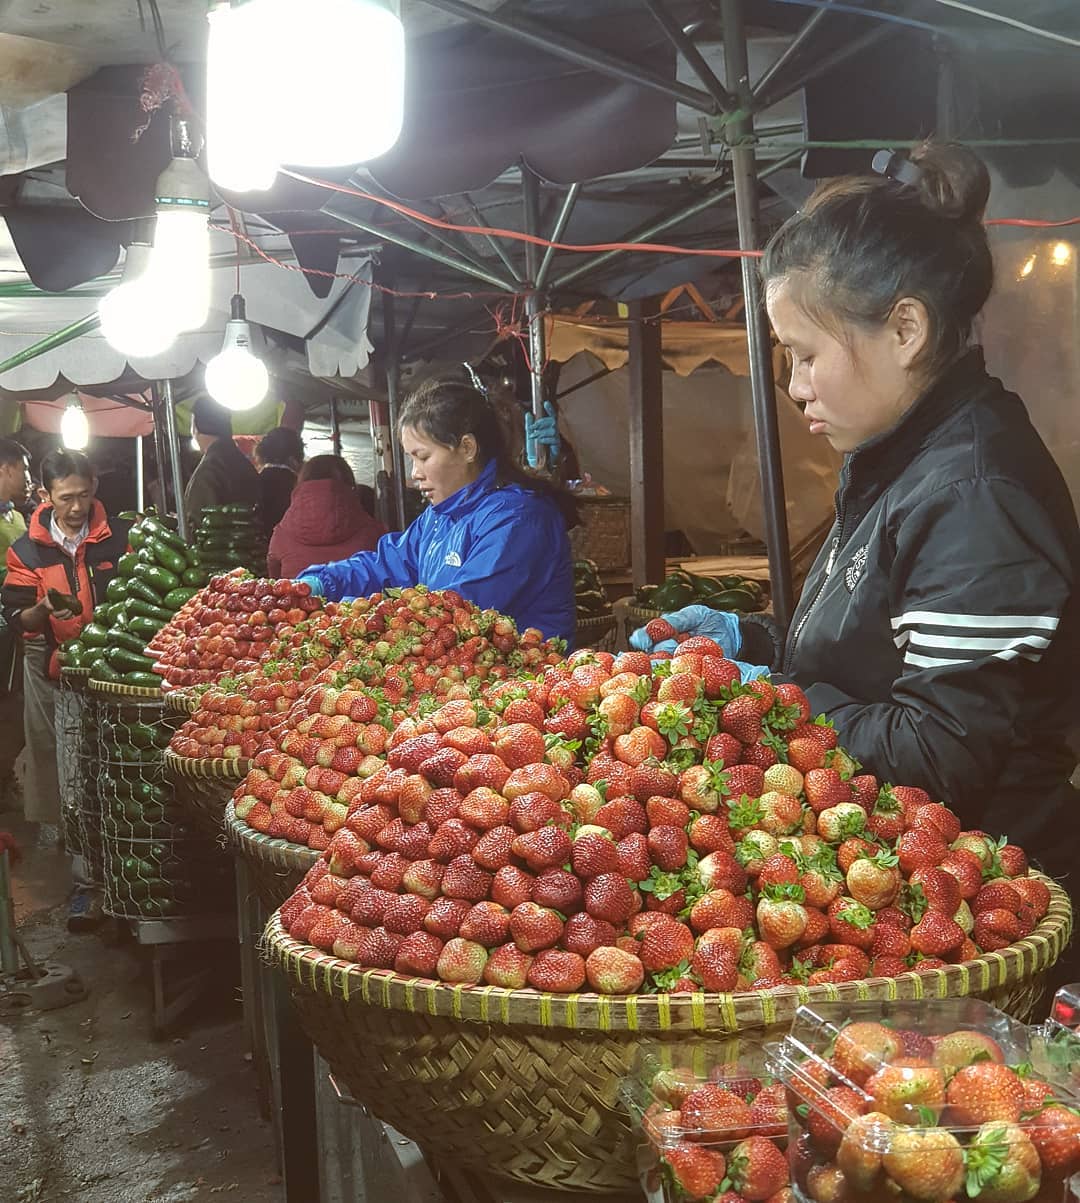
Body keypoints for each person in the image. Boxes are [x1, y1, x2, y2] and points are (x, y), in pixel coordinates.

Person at [298, 376, 577, 644]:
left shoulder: (519, 519)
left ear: (467, 448)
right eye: (411, 458)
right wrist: (322, 583)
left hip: (528, 682)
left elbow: (460, 611)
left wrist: (354, 617)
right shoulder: (439, 517)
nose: (415, 473)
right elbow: (388, 564)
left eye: (422, 457)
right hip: (462, 680)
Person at [1, 450, 131, 927]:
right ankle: (86, 883)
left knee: (118, 770)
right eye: (66, 498)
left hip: (117, 669)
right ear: (45, 495)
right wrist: (41, 612)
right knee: (74, 775)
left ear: (95, 485)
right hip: (58, 668)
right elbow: (17, 616)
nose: (77, 507)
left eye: (85, 494)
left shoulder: (119, 539)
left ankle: (123, 877)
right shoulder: (27, 550)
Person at [267, 454, 386, 580]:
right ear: (350, 484)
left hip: (298, 598)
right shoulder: (374, 531)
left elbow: (274, 578)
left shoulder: (282, 532)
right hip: (359, 599)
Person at [184, 395, 261, 532]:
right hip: (249, 547)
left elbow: (198, 525)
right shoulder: (242, 463)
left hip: (222, 549)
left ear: (195, 426)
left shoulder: (210, 469)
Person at [255, 425, 305, 535]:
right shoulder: (299, 488)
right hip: (288, 547)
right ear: (294, 459)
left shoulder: (251, 481)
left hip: (256, 547)